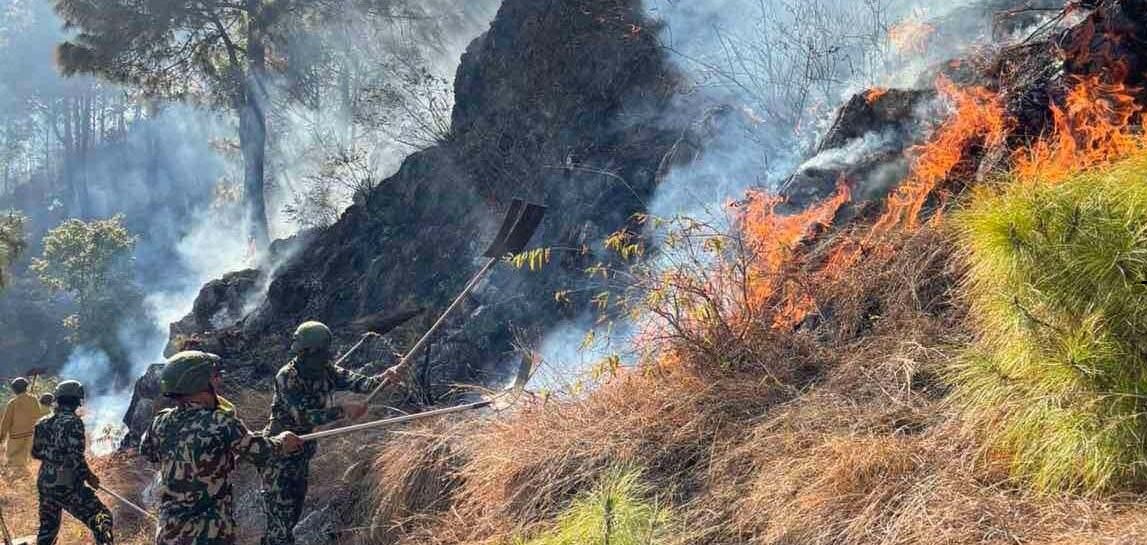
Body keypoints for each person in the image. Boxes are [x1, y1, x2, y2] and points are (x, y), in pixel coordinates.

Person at [140, 351, 302, 545]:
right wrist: (283, 441)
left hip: (169, 533)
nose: (219, 381)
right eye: (214, 376)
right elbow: (259, 451)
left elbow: (147, 451)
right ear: (200, 384)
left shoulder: (160, 422)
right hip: (209, 533)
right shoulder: (221, 422)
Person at [258, 321, 393, 545]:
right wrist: (343, 410)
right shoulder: (287, 377)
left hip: (301, 452)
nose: (321, 357)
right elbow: (302, 416)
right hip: (278, 454)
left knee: (292, 514)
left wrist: (385, 379)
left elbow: (357, 382)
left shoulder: (326, 369)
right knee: (279, 526)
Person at [32, 380, 114, 545]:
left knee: (48, 531)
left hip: (45, 483)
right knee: (102, 518)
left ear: (58, 398)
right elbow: (76, 458)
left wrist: (53, 457)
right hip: (66, 485)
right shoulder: (73, 422)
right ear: (78, 400)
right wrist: (89, 476)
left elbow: (36, 452)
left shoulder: (42, 423)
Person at [2, 377, 44, 476]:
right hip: (30, 435)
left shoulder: (13, 403)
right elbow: (38, 415)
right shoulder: (34, 399)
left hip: (15, 437)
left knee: (13, 459)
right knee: (25, 458)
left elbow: (6, 422)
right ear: (26, 387)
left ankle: (17, 480)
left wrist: (2, 436)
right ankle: (24, 479)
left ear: (14, 389)